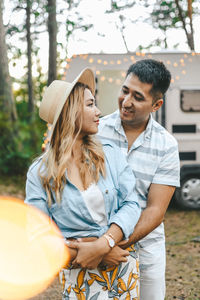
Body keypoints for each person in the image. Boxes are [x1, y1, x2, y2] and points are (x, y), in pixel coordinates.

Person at [25, 68, 141, 300]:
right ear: (70, 112)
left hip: (122, 263)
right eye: (90, 105)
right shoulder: (40, 173)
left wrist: (103, 245)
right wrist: (83, 253)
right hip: (79, 275)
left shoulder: (111, 155)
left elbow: (132, 203)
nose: (98, 111)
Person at [98, 59, 180, 300]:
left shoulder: (166, 146)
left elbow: (155, 210)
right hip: (95, 241)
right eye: (125, 91)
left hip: (145, 250)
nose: (126, 101)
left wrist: (111, 245)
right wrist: (98, 245)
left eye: (138, 97)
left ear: (157, 104)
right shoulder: (94, 131)